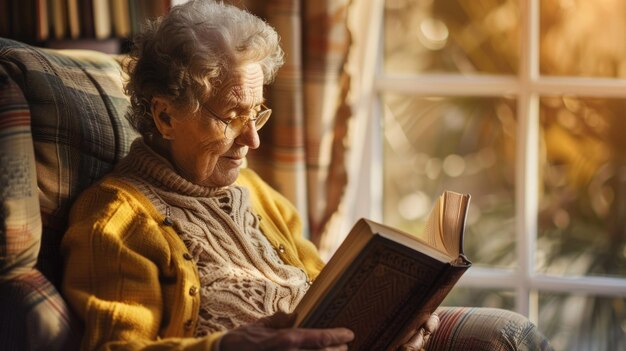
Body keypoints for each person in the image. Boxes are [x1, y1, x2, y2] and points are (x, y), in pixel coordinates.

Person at [61, 1, 553, 350]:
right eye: (231, 116)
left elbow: (323, 287)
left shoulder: (250, 188)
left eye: (258, 113)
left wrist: (394, 323)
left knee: (507, 335)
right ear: (166, 116)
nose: (252, 140)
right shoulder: (115, 221)